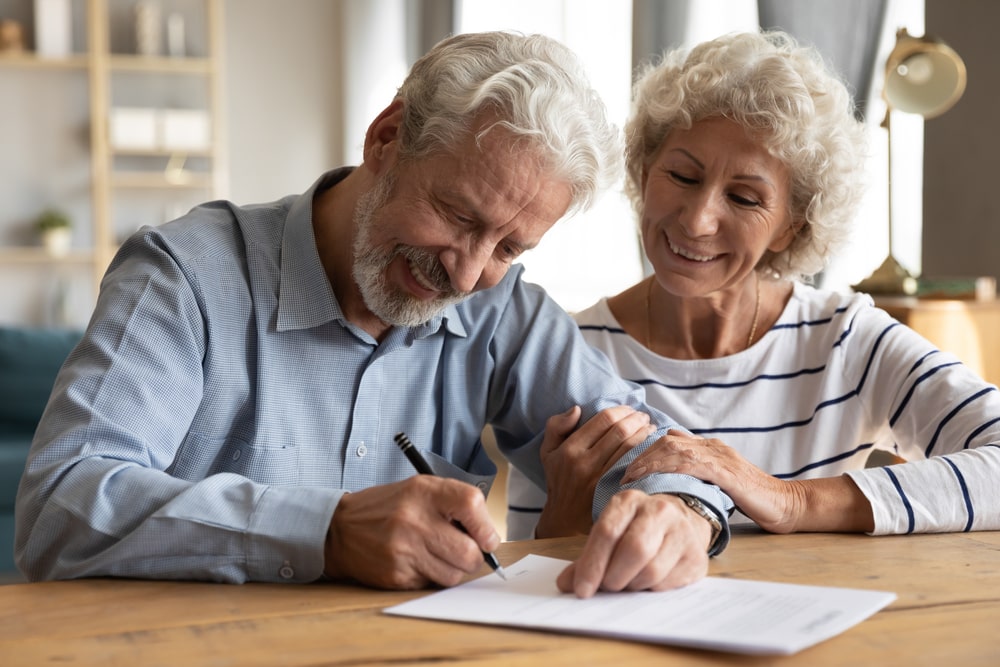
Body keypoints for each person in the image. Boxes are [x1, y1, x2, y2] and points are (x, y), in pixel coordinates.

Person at [15, 31, 734, 597]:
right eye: (456, 213)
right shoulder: (186, 276)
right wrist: (324, 530)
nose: (464, 270)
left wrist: (682, 513)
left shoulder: (500, 309)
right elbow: (60, 507)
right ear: (386, 137)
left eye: (509, 245)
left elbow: (660, 452)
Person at [506, 30, 1000, 540]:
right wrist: (565, 523)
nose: (698, 221)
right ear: (644, 168)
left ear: (792, 225)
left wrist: (790, 499)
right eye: (681, 176)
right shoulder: (564, 352)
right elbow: (522, 582)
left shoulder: (846, 341)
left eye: (743, 198)